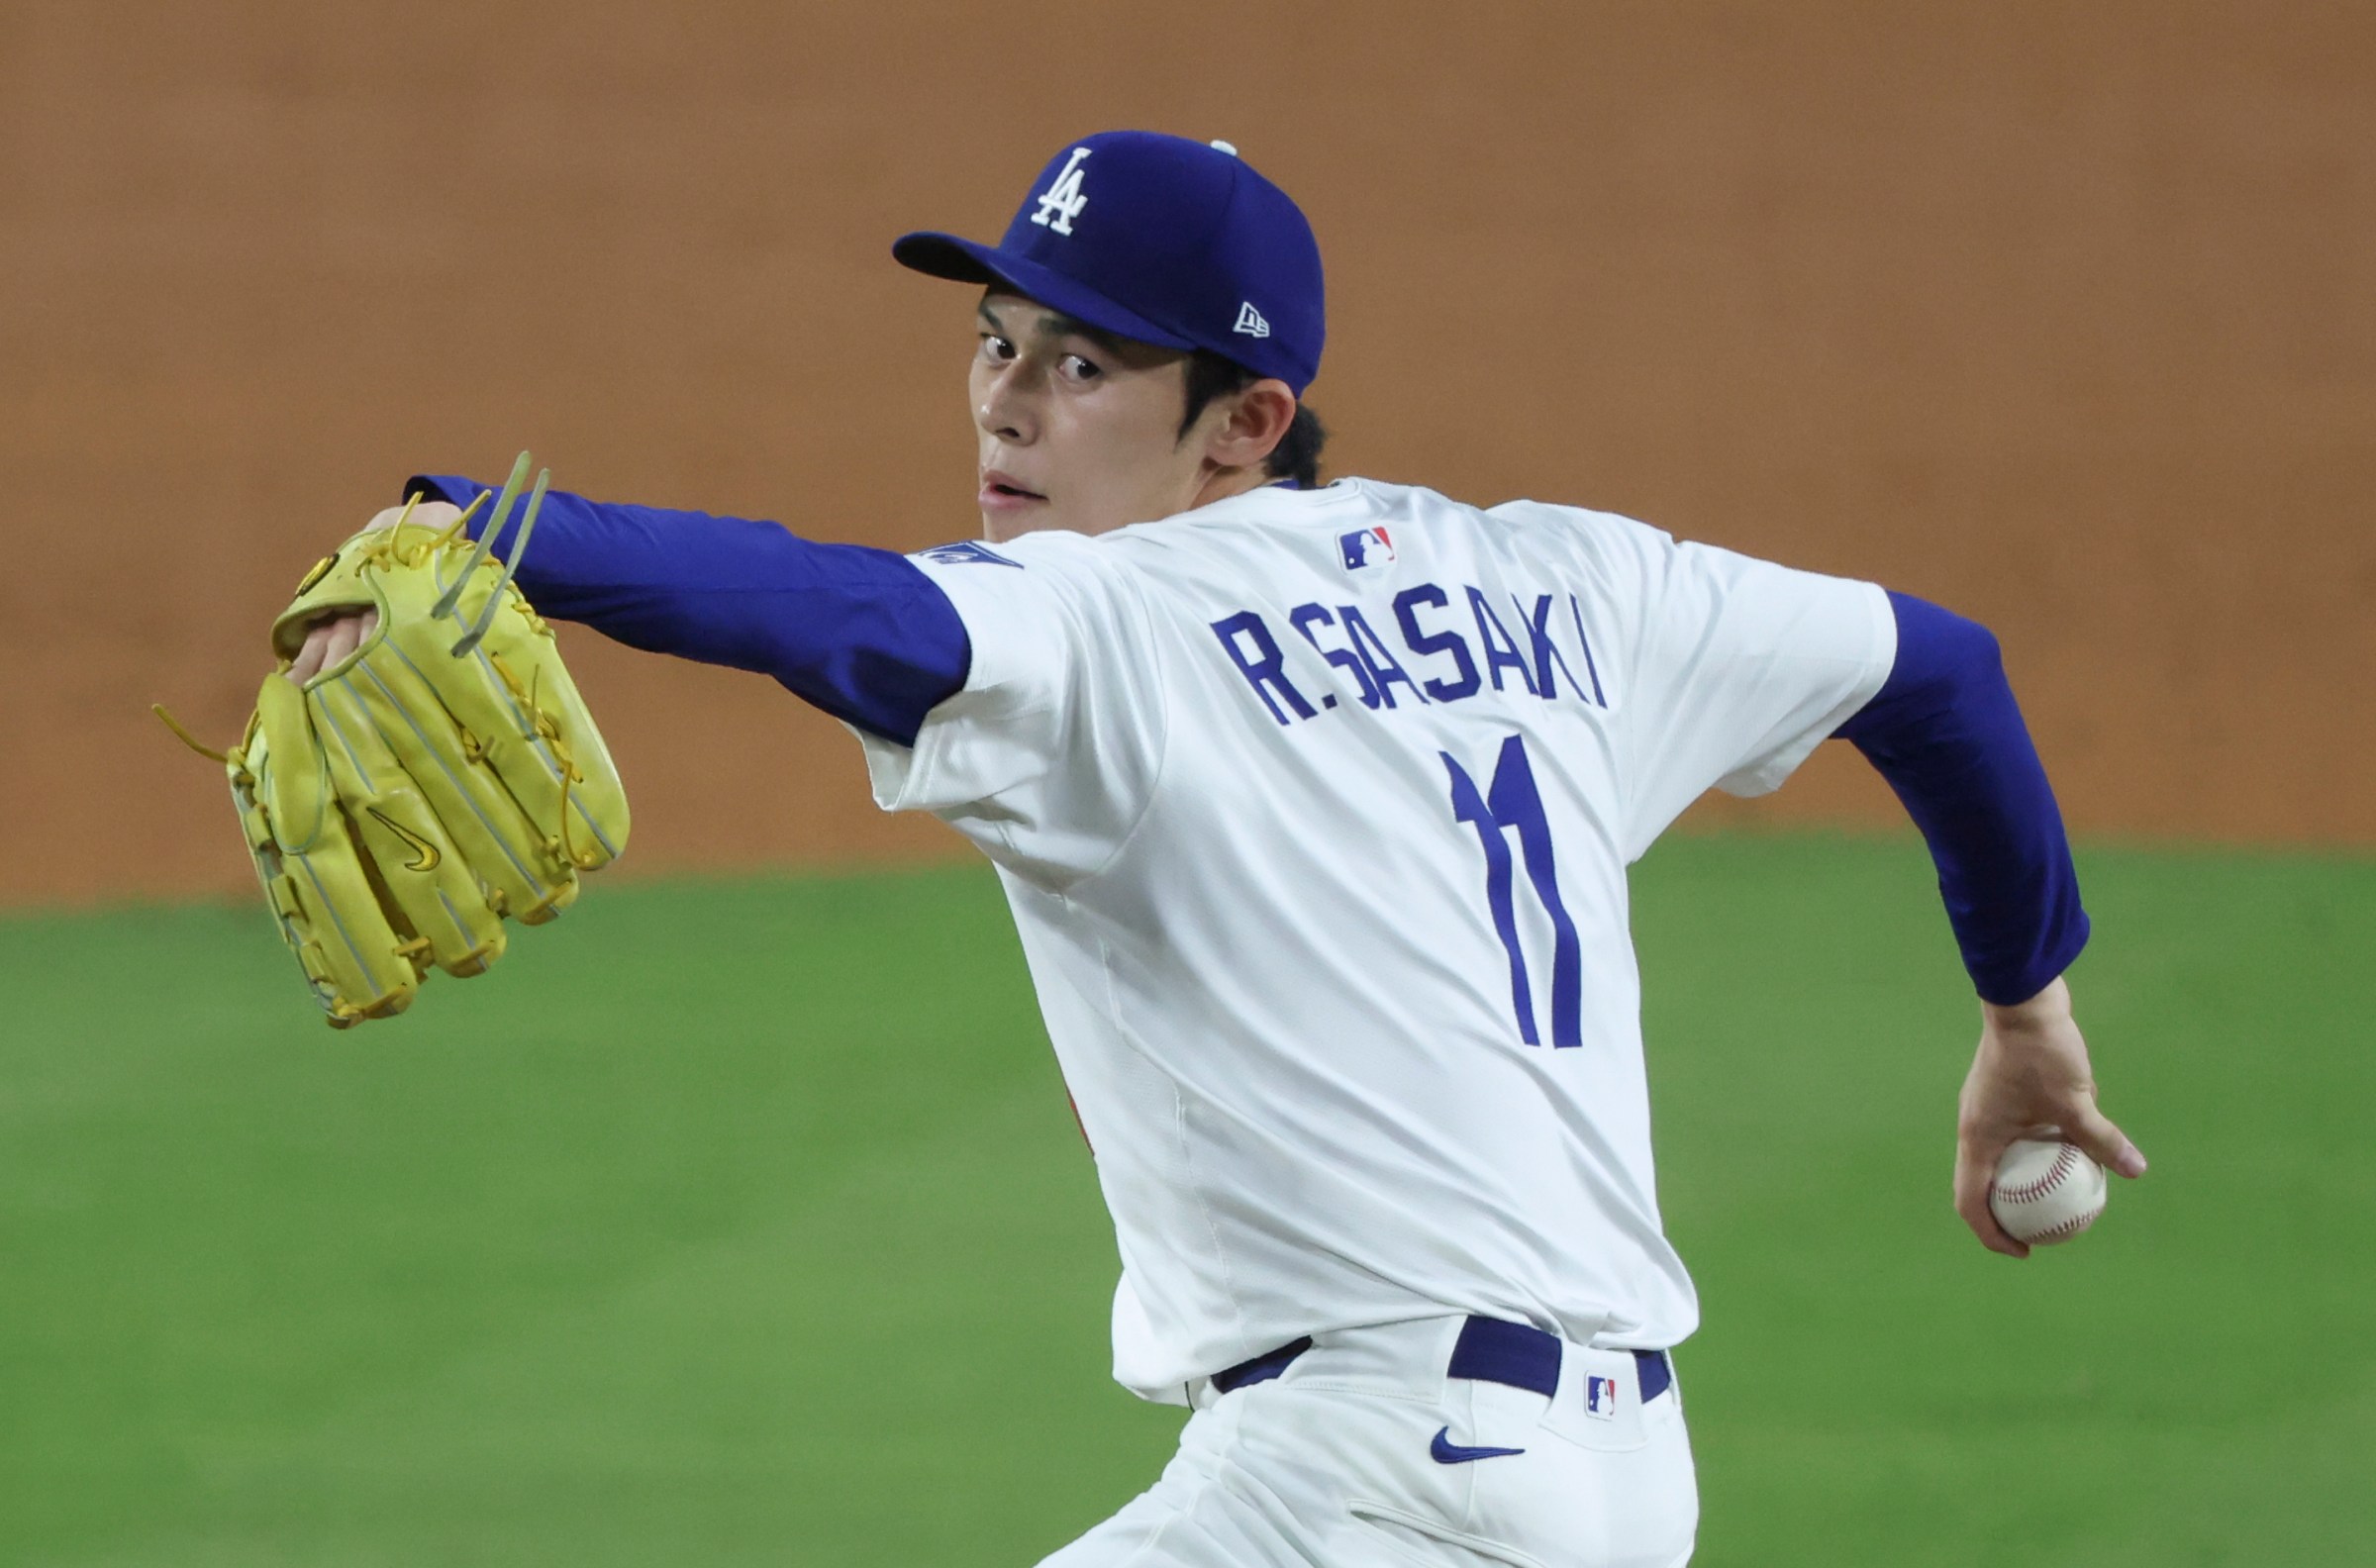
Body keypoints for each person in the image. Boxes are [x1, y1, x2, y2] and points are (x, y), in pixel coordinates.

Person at [285, 131, 2146, 1567]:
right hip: (1618, 1488)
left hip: (1364, 1488)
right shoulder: (1575, 585)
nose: (1009, 402)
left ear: (1242, 423)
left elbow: (826, 605)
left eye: (1084, 366)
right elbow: (1942, 674)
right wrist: (2027, 1017)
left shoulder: (1115, 624)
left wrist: (479, 525)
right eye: (996, 342)